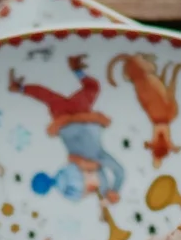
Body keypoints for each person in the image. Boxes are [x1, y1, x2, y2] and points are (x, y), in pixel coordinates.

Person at [12, 55, 125, 205]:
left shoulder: (80, 168)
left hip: (66, 121)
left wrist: (83, 164)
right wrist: (114, 190)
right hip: (82, 115)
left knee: (49, 97)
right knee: (92, 89)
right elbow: (119, 172)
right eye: (90, 187)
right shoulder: (102, 164)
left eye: (86, 182)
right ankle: (76, 68)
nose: (90, 181)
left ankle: (20, 87)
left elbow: (73, 159)